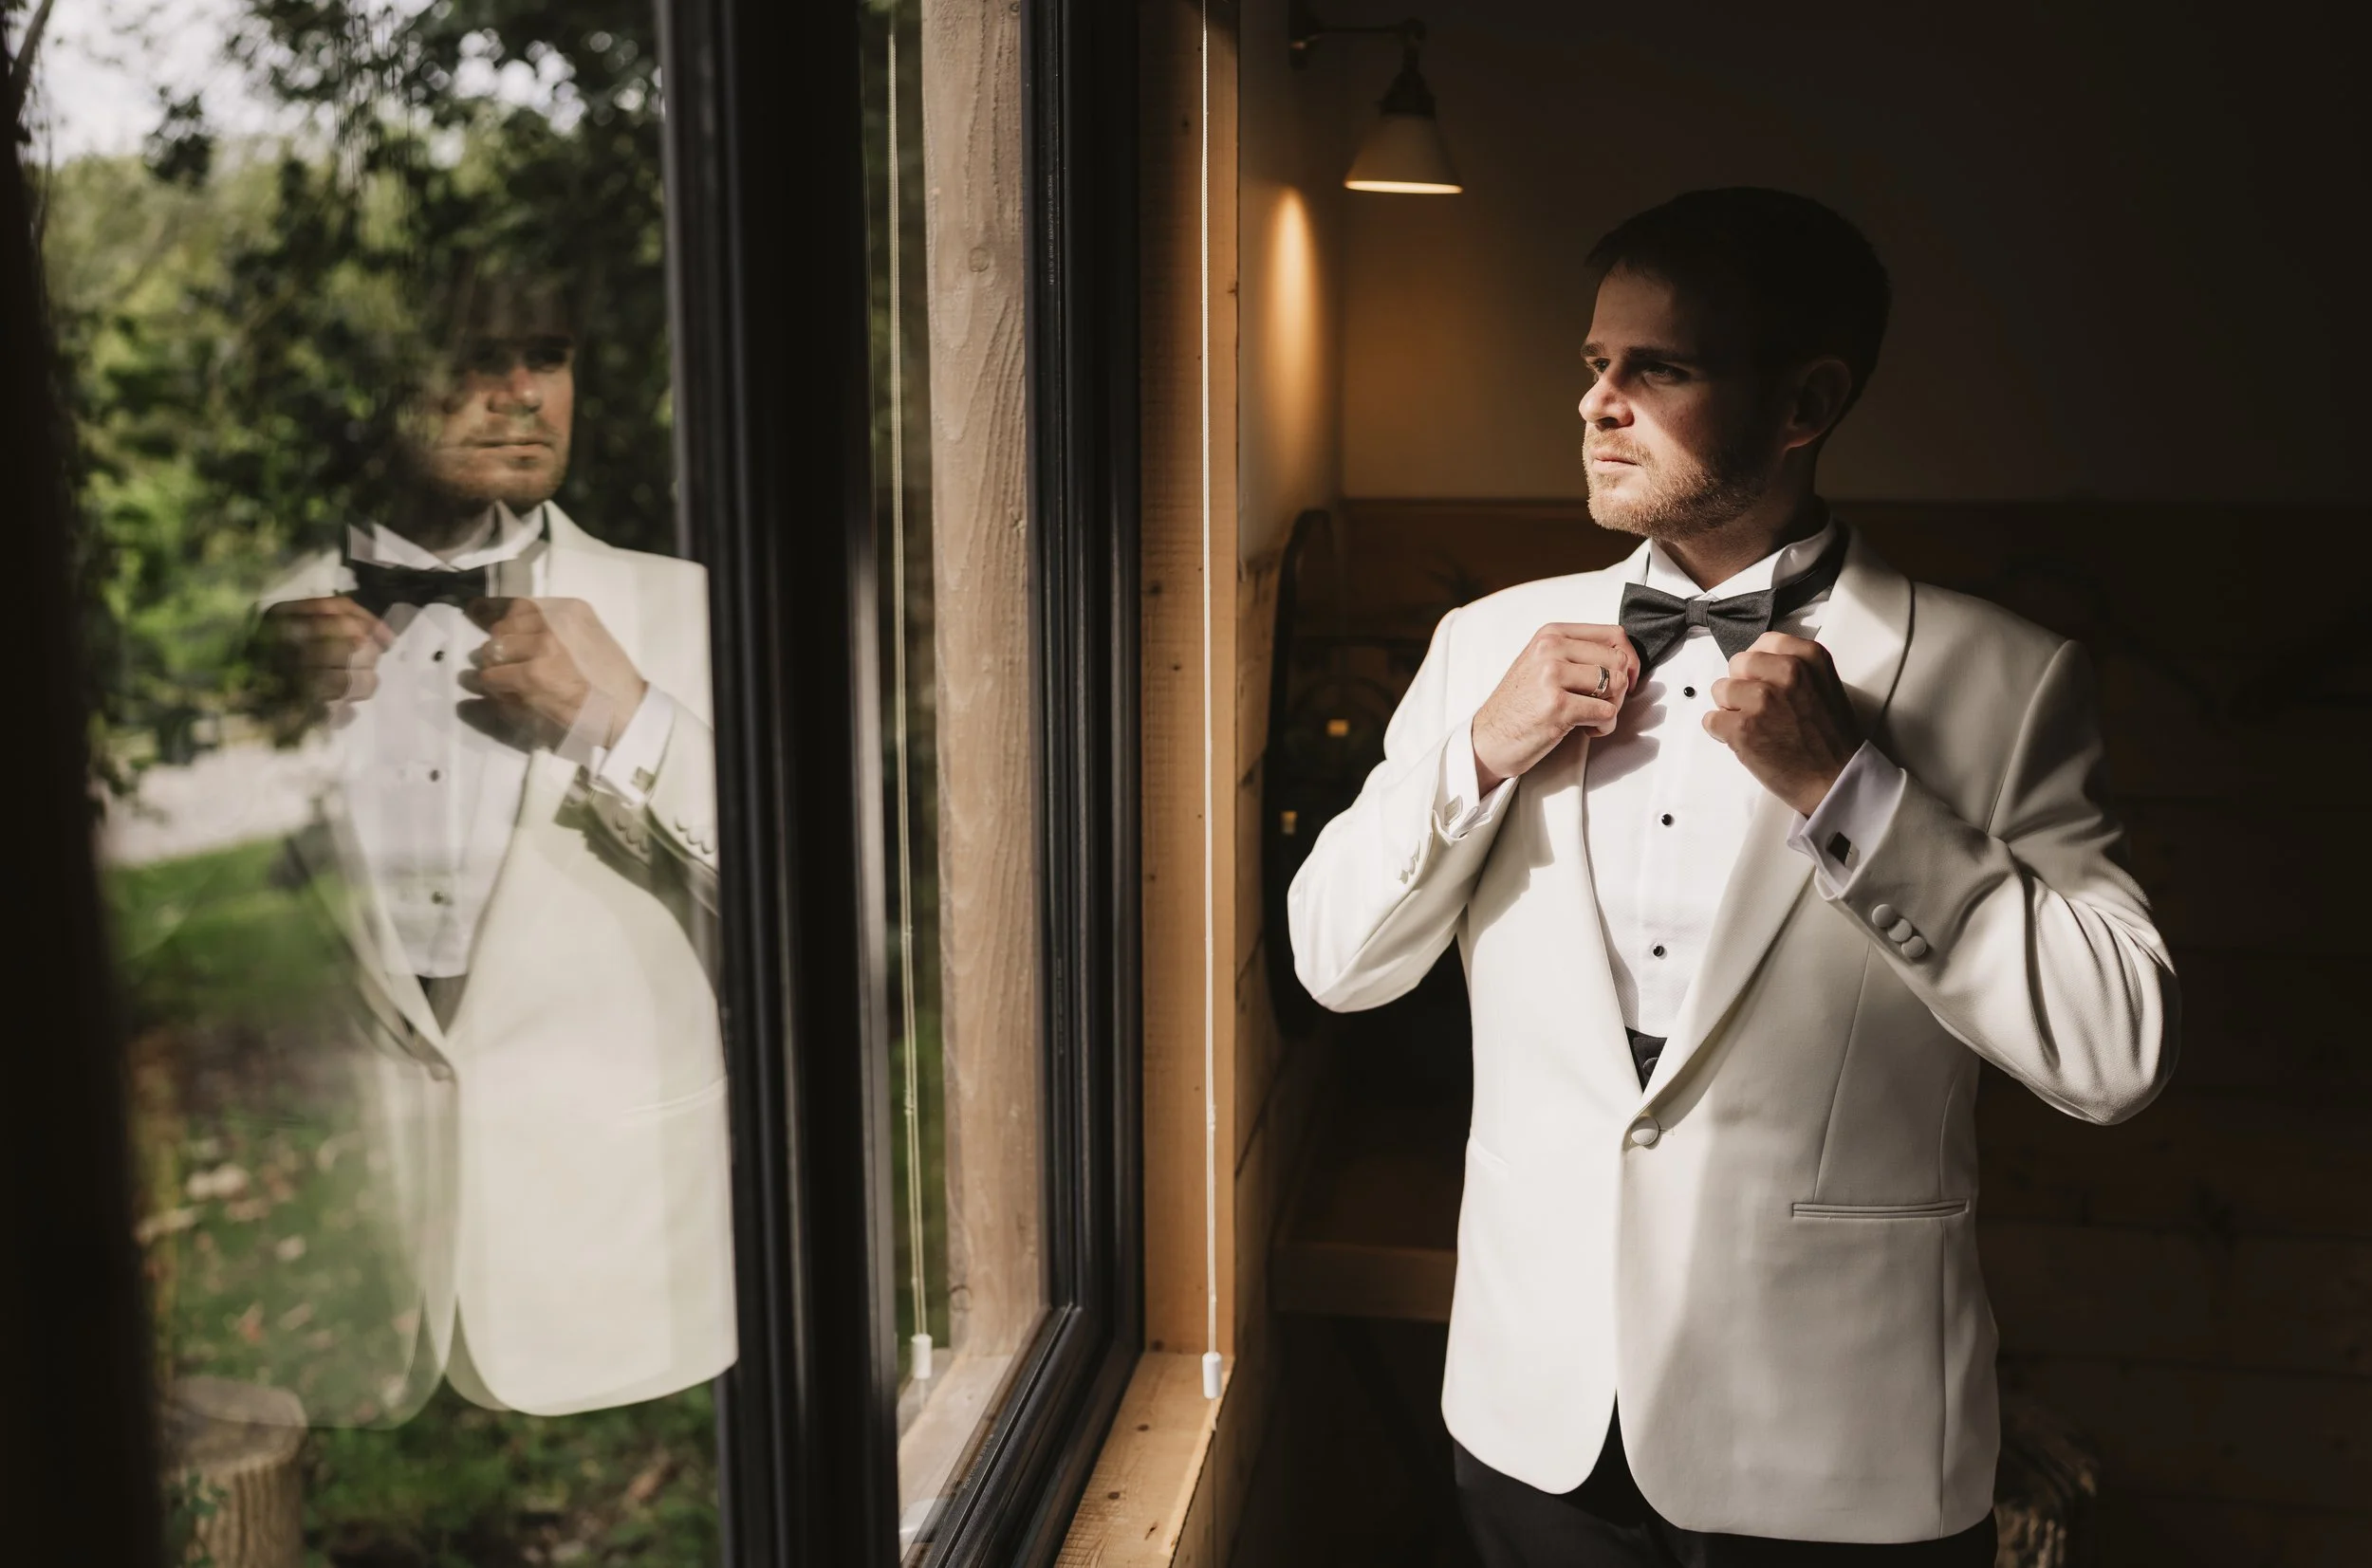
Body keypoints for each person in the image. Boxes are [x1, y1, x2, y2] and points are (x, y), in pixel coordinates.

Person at [1287, 188, 2177, 1565]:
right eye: (1596, 363)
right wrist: (1478, 752)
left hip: (1838, 1452)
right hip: (1536, 1424)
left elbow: (2115, 1051)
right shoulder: (1484, 647)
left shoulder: (2003, 680)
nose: (1598, 404)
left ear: (1805, 401)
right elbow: (1335, 963)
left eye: (1660, 369)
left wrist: (1852, 790)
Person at [250, 264, 733, 1421]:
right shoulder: (260, 626)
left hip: (629, 1269)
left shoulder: (690, 610)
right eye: (477, 358)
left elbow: (826, 912)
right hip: (348, 1278)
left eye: (548, 357)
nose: (521, 394)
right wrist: (254, 716)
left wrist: (631, 722)